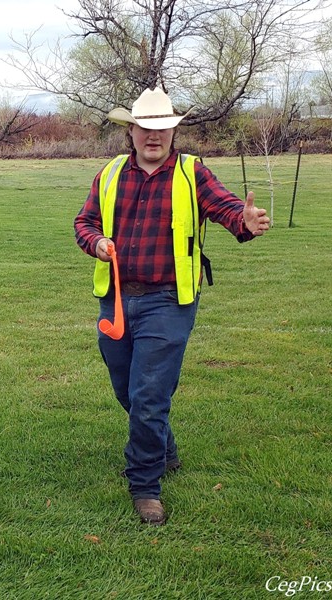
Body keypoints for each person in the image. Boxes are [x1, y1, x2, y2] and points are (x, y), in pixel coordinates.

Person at [74, 88, 270, 526]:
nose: (154, 136)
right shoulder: (109, 174)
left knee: (148, 397)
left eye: (163, 128)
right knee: (128, 391)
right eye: (146, 127)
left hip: (169, 302)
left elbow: (225, 206)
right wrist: (98, 242)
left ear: (173, 131)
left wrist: (245, 220)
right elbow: (84, 222)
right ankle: (164, 449)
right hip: (117, 301)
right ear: (131, 130)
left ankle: (145, 485)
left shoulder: (191, 173)